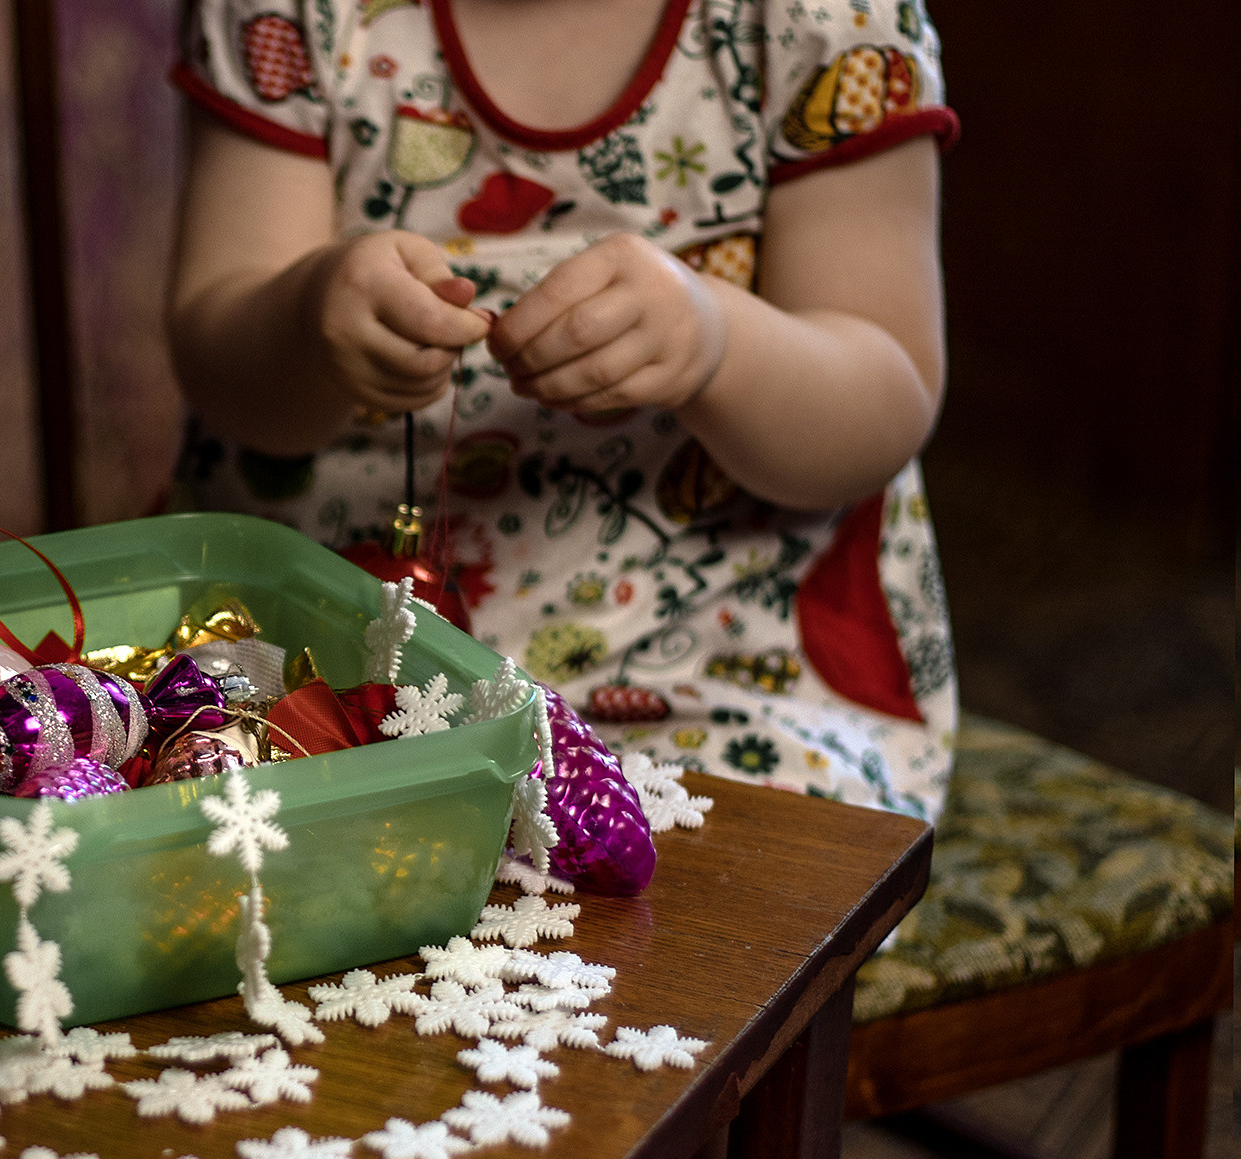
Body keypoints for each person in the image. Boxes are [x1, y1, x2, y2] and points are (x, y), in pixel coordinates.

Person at [166, 0, 961, 827]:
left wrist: (715, 342)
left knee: (702, 910)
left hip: (720, 665)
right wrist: (308, 318)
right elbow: (225, 368)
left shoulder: (822, 18)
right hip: (333, 646)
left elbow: (883, 397)